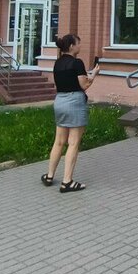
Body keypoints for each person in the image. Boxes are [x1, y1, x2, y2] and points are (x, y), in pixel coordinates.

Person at [43, 33, 100, 193]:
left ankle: (49, 175)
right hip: (74, 102)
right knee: (73, 142)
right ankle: (67, 181)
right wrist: (94, 75)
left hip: (59, 101)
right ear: (71, 46)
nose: (80, 47)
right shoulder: (77, 63)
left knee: (59, 141)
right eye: (78, 44)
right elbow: (84, 85)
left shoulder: (58, 63)